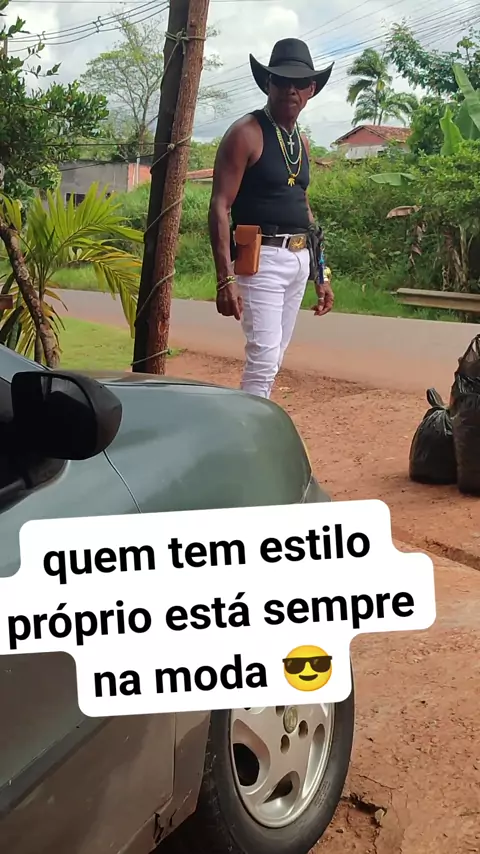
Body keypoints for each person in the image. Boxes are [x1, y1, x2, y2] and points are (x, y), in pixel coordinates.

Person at [208, 38, 335, 399]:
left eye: (299, 83)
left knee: (275, 357)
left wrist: (321, 272)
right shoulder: (246, 133)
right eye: (281, 80)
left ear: (311, 90)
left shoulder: (301, 142)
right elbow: (219, 206)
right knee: (263, 360)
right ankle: (251, 428)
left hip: (299, 258)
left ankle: (252, 420)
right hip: (260, 258)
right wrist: (224, 278)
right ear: (268, 84)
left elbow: (304, 208)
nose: (290, 89)